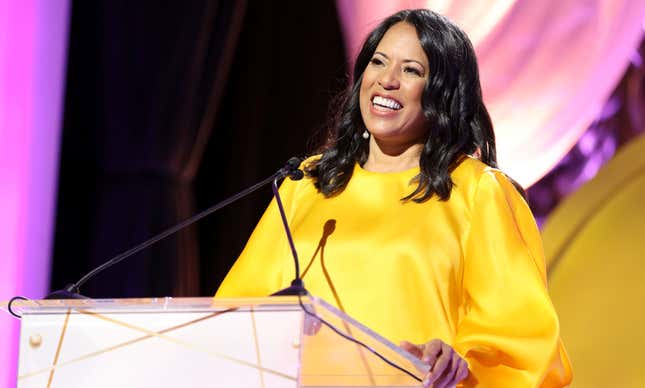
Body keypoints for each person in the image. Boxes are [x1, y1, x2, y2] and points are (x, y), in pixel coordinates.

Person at [216, 9, 572, 388]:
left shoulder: (477, 191)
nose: (387, 80)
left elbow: (520, 346)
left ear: (443, 92)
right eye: (378, 62)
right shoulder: (307, 183)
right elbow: (235, 317)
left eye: (411, 70)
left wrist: (460, 365)